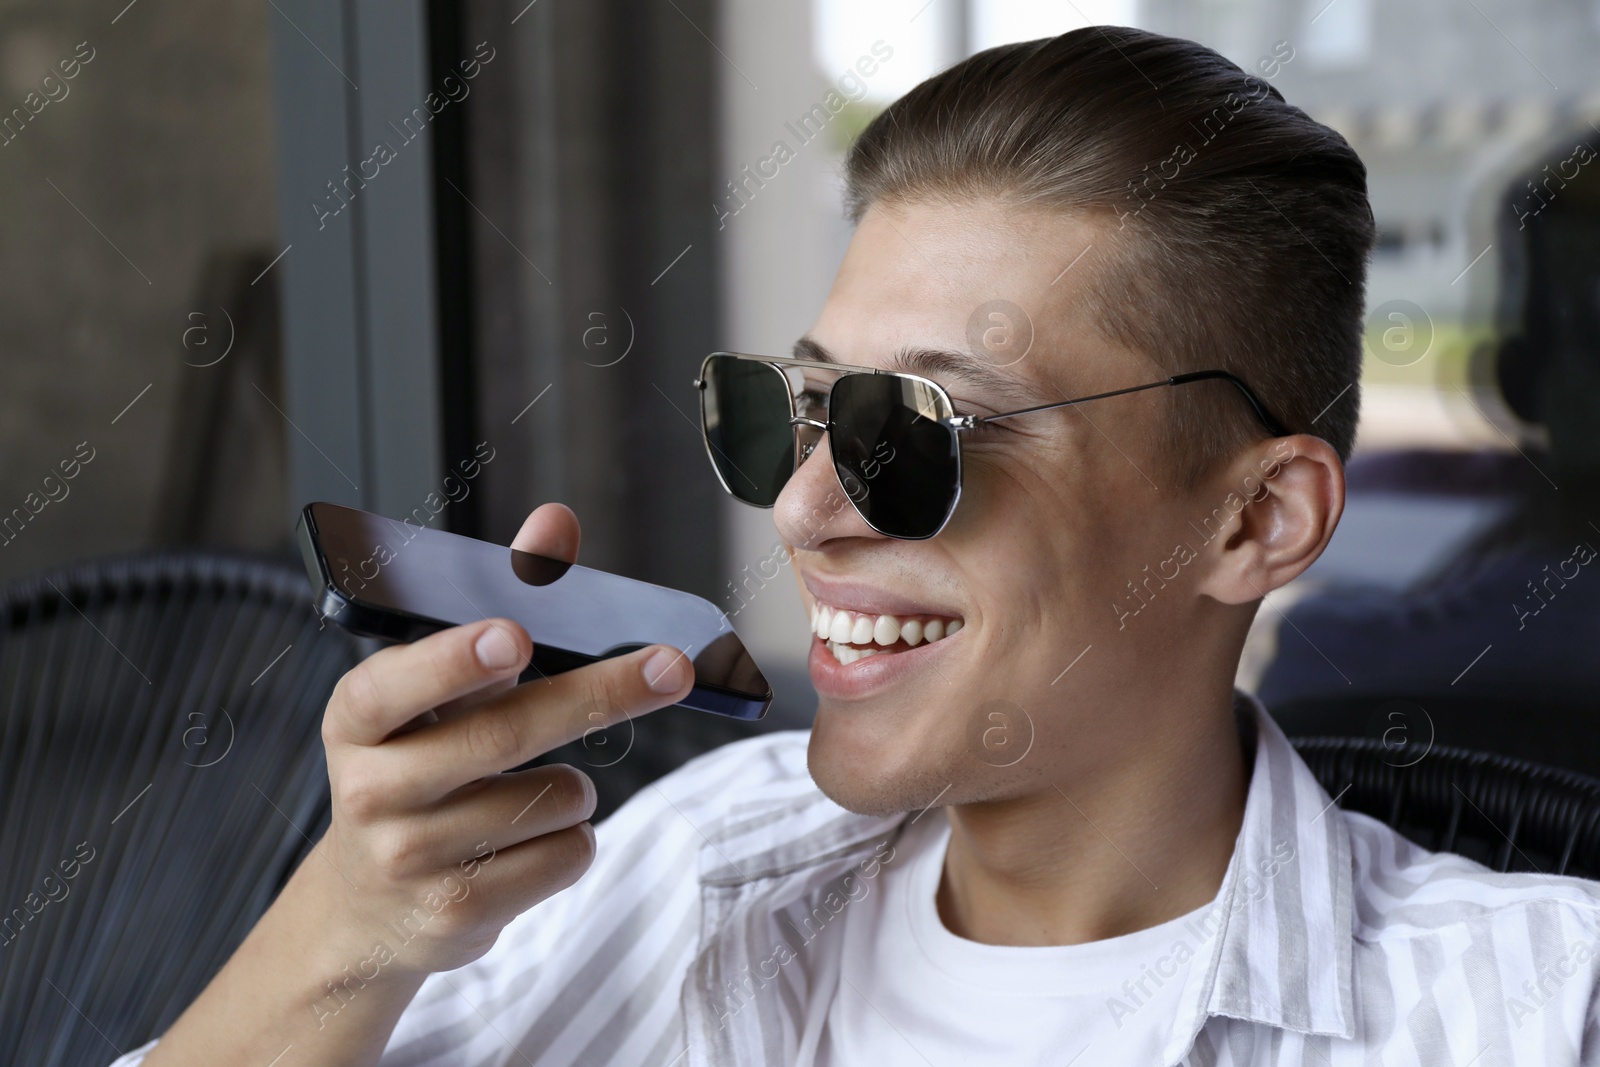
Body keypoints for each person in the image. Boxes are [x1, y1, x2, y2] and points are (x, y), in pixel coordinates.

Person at [116, 27, 1600, 1067]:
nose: (807, 508)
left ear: (1253, 520)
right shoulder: (693, 865)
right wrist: (351, 930)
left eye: (916, 435)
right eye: (796, 412)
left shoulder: (1534, 1006)